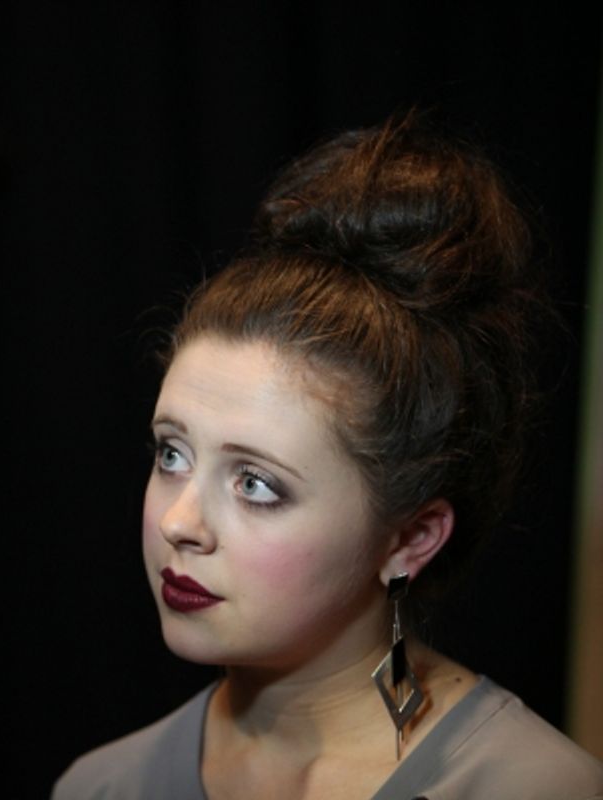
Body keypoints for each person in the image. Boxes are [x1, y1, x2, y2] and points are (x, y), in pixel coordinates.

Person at [52, 114, 603, 799]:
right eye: (172, 454)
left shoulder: (538, 789)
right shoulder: (101, 787)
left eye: (255, 483)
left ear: (410, 539)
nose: (178, 523)